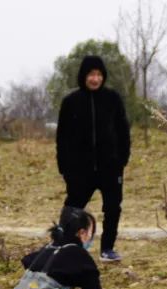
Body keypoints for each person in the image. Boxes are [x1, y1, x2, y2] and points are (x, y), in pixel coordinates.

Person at [56, 55, 132, 263]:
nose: (95, 79)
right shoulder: (71, 102)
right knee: (73, 208)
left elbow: (123, 131)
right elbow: (62, 138)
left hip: (110, 167)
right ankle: (65, 246)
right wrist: (64, 167)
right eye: (91, 74)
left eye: (99, 74)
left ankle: (107, 248)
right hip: (80, 170)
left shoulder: (112, 99)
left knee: (113, 208)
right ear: (84, 76)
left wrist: (121, 159)